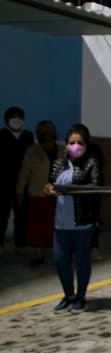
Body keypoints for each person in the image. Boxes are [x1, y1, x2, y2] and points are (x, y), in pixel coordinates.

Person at [43, 123, 102, 313]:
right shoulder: (58, 164)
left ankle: (80, 296)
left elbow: (95, 187)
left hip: (83, 222)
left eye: (79, 142)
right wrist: (49, 189)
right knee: (60, 259)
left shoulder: (92, 163)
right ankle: (68, 295)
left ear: (86, 144)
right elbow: (51, 184)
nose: (75, 146)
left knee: (82, 260)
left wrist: (69, 191)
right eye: (71, 142)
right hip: (61, 223)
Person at [17, 121, 62, 266]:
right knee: (38, 226)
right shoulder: (32, 150)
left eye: (47, 129)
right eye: (42, 130)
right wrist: (20, 191)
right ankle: (39, 256)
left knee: (58, 225)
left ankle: (60, 253)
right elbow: (24, 173)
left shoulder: (62, 150)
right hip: (38, 194)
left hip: (59, 194)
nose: (45, 133)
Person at [0, 106, 34, 248]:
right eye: (13, 117)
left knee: (22, 214)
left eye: (20, 117)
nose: (17, 120)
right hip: (4, 182)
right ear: (7, 119)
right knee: (2, 214)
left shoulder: (28, 135)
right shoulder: (1, 135)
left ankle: (20, 242)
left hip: (23, 182)